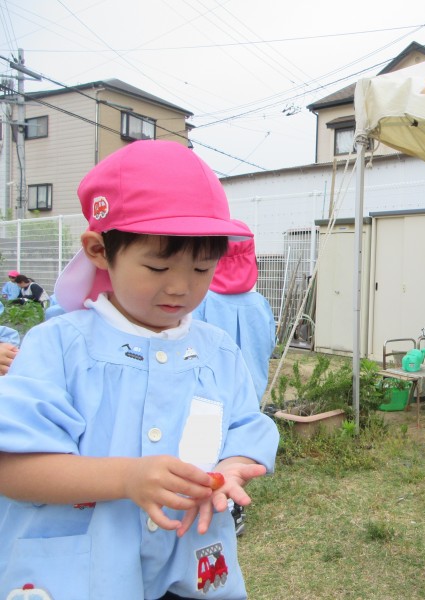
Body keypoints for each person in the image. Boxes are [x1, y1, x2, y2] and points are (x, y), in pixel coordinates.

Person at [0, 140, 280, 600]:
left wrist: (232, 466)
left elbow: (246, 426)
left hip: (190, 567)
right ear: (98, 249)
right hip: (81, 578)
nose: (181, 287)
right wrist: (127, 479)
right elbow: (13, 469)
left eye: (202, 269)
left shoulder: (217, 352)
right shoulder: (60, 347)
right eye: (157, 266)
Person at [193, 224, 276, 536]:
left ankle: (217, 502)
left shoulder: (202, 300)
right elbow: (269, 342)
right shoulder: (259, 303)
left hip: (208, 390)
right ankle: (233, 505)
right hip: (250, 386)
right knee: (238, 443)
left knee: (206, 448)